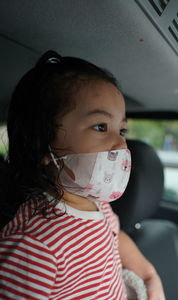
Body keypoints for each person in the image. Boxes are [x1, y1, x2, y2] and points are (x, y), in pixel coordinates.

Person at [0, 51, 165, 300]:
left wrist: (150, 275)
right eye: (100, 126)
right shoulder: (33, 246)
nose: (121, 145)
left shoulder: (97, 204)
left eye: (122, 130)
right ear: (44, 143)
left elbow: (112, 235)